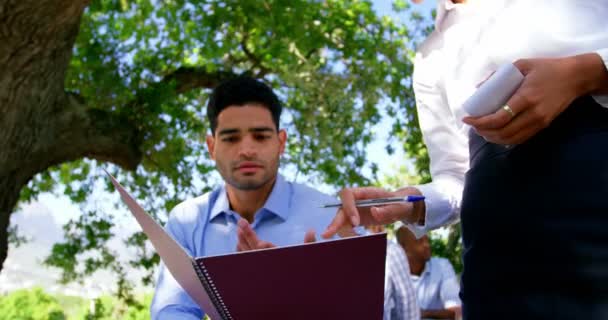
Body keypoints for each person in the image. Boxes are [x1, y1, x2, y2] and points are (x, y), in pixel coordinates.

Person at [323, 0, 608, 318]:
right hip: (495, 266)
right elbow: (455, 178)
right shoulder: (429, 57)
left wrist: (585, 74)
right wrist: (407, 202)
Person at [150, 77, 418, 319]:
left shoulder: (332, 219)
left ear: (281, 142)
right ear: (211, 147)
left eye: (260, 136)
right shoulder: (187, 222)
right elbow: (172, 310)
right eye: (231, 138)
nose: (246, 150)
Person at [396, 224, 461, 319]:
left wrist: (422, 314)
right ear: (403, 247)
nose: (427, 245)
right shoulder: (391, 274)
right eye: (420, 241)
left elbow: (456, 312)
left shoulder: (442, 266)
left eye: (427, 240)